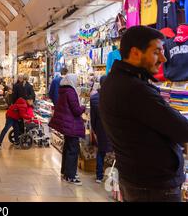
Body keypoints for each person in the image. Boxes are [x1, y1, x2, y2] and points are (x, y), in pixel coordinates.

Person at [100, 26, 188, 202]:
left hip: (137, 179)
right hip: (154, 187)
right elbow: (182, 129)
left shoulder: (114, 82)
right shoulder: (134, 89)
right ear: (135, 53)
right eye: (156, 52)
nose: (163, 58)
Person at [49, 74, 85, 186]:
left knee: (67, 148)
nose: (78, 82)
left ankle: (65, 172)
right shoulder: (71, 92)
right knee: (73, 150)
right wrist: (83, 107)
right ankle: (70, 176)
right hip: (72, 125)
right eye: (76, 80)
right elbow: (76, 110)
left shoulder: (63, 91)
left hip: (67, 124)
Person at [89, 75, 112, 183]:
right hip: (113, 128)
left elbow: (92, 117)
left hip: (100, 127)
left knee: (101, 151)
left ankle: (99, 175)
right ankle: (117, 176)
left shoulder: (94, 98)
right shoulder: (114, 96)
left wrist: (94, 129)